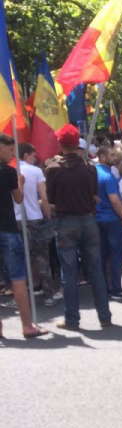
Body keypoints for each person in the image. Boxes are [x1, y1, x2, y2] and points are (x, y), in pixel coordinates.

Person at [45, 124, 112, 331]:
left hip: (66, 222)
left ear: (60, 144)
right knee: (95, 271)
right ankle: (104, 316)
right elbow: (94, 194)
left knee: (69, 272)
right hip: (88, 220)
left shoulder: (53, 169)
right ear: (77, 144)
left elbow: (52, 199)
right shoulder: (90, 167)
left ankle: (72, 319)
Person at [0, 134, 49, 339]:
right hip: (8, 229)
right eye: (10, 150)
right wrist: (19, 183)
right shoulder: (9, 172)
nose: (13, 154)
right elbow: (18, 198)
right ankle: (27, 325)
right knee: (18, 278)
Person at [15, 142, 55, 305]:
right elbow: (44, 197)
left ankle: (20, 297)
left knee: (18, 259)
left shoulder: (11, 170)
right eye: (33, 155)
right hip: (35, 218)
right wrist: (48, 214)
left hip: (16, 220)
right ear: (26, 155)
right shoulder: (36, 171)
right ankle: (49, 295)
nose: (35, 158)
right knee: (42, 258)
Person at [95, 144, 122, 298]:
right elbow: (115, 201)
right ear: (102, 157)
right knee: (116, 256)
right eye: (112, 155)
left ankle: (102, 289)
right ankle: (117, 288)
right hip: (112, 220)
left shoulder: (93, 172)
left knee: (101, 255)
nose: (114, 158)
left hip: (97, 219)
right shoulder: (108, 176)